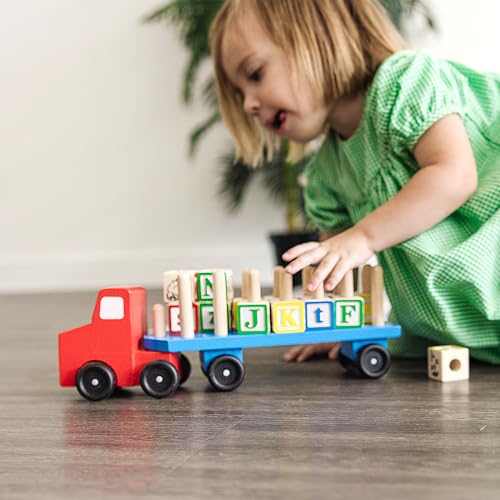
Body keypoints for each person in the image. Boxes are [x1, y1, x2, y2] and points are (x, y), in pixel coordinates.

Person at [209, 0, 500, 363]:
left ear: (318, 37)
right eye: (241, 95)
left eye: (254, 74)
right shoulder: (325, 175)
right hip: (461, 329)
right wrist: (332, 325)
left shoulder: (404, 82)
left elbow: (454, 175)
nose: (250, 104)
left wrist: (363, 236)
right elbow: (333, 277)